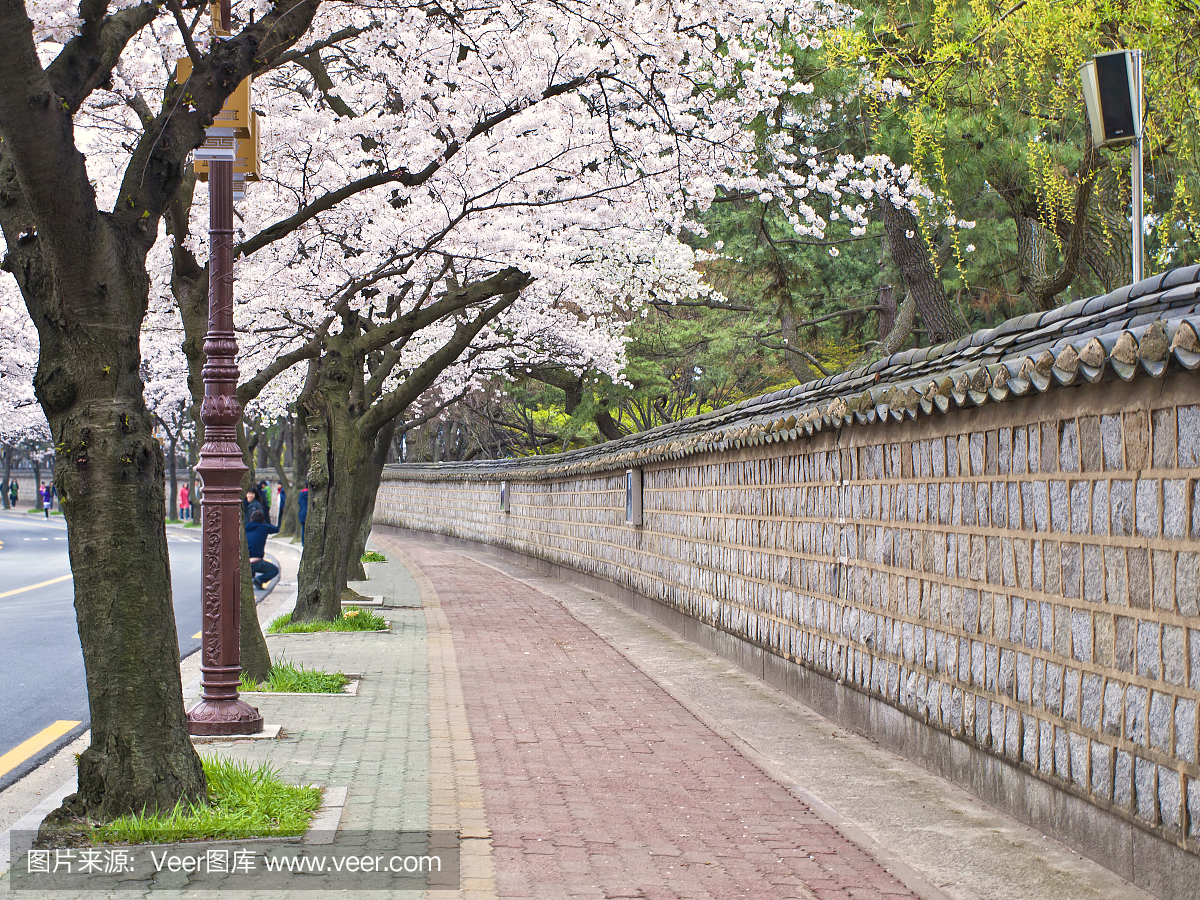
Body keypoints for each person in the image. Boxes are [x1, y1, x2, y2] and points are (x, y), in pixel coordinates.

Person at [245, 509, 280, 589]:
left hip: (246, 562)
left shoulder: (246, 528)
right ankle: (259, 580)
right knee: (274, 570)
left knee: (250, 570)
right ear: (262, 520)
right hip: (257, 561)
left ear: (251, 519)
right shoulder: (263, 528)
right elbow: (276, 529)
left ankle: (249, 581)